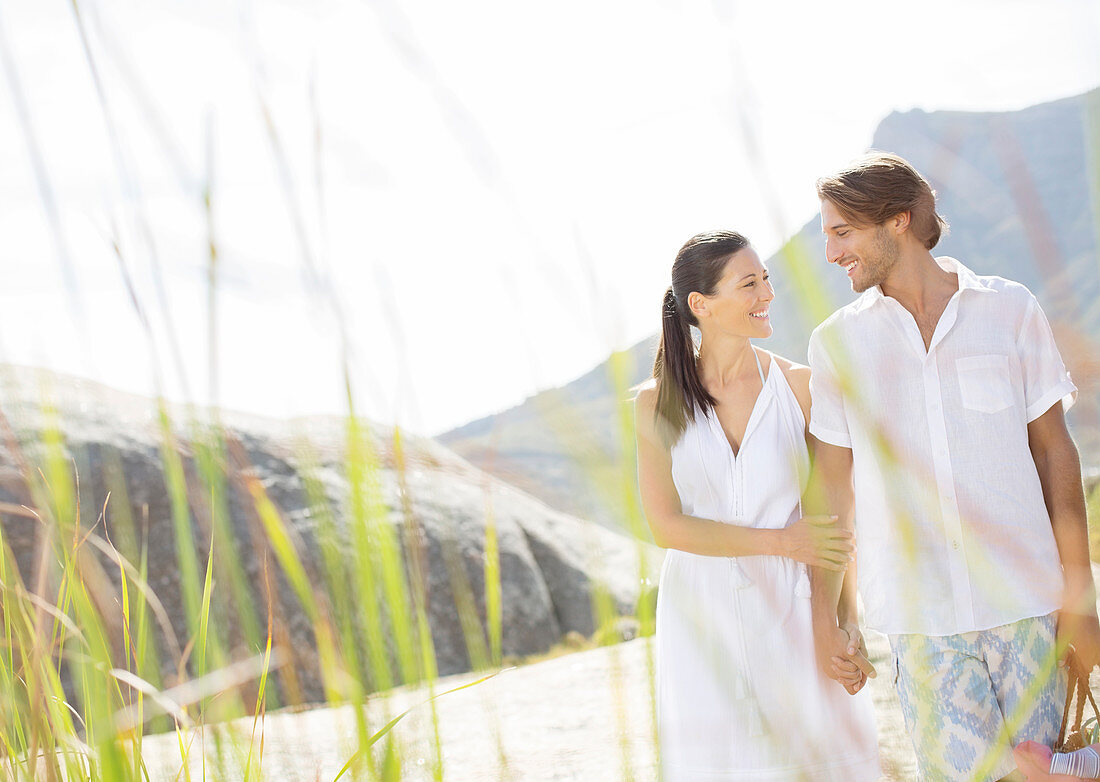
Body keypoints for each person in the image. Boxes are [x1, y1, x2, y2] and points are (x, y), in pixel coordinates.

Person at [806, 152, 1100, 781]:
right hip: (922, 622)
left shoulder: (1009, 309)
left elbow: (1055, 452)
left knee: (1047, 772)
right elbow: (832, 493)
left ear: (898, 221)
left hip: (1026, 605)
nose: (830, 253)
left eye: (841, 231)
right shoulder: (836, 344)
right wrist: (834, 617)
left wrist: (1080, 592)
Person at [634, 230, 880, 781]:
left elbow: (836, 516)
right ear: (701, 305)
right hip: (701, 615)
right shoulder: (658, 400)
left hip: (794, 603)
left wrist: (844, 622)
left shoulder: (800, 387)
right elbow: (665, 525)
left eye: (765, 278)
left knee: (819, 761)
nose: (767, 293)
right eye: (749, 284)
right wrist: (778, 541)